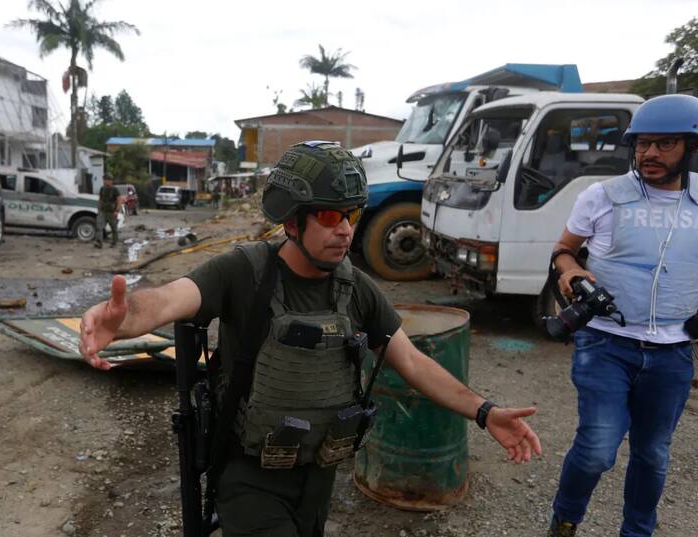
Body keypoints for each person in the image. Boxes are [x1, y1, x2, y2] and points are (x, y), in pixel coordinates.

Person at [80, 141, 542, 537]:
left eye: (353, 214)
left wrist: (485, 412)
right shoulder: (244, 272)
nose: (344, 229)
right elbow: (170, 299)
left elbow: (415, 364)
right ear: (292, 220)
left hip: (319, 478)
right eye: (328, 215)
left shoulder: (356, 288)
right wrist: (120, 318)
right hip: (250, 480)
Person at [547, 94, 698, 537]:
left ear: (690, 148)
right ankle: (565, 520)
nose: (649, 153)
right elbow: (563, 249)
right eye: (642, 144)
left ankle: (637, 531)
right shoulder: (603, 196)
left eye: (664, 144)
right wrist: (571, 271)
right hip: (605, 343)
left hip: (673, 352)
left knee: (653, 453)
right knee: (597, 448)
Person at [95, 175, 121, 248]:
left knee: (114, 228)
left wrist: (117, 211)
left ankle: (114, 242)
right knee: (99, 226)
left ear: (111, 181)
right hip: (102, 211)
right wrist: (98, 208)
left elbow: (119, 200)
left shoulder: (115, 189)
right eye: (105, 180)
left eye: (108, 180)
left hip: (111, 212)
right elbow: (100, 199)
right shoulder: (102, 189)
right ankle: (99, 242)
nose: (106, 181)